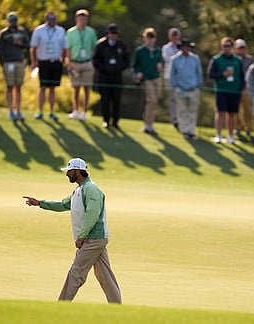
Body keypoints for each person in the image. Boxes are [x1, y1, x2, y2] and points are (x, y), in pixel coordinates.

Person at [22, 158, 122, 304]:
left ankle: (61, 305)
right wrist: (40, 203)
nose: (67, 174)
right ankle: (117, 307)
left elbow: (92, 214)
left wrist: (81, 237)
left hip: (93, 239)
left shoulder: (91, 189)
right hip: (95, 239)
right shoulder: (79, 190)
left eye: (69, 171)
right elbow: (63, 204)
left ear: (78, 171)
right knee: (104, 275)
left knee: (76, 272)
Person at [30, 11, 68, 121]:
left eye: (54, 18)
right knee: (42, 87)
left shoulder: (61, 31)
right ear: (46, 19)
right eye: (50, 18)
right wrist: (34, 62)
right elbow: (33, 47)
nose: (52, 20)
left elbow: (65, 47)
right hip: (43, 62)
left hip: (56, 62)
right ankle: (40, 111)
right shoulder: (39, 30)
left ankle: (52, 112)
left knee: (53, 88)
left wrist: (63, 60)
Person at [92, 23, 130, 130]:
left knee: (116, 99)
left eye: (115, 34)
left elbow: (126, 59)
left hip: (117, 76)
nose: (113, 35)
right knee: (105, 99)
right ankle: (106, 120)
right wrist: (104, 69)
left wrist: (119, 68)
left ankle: (116, 121)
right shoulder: (101, 45)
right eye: (111, 33)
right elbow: (96, 60)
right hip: (104, 76)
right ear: (107, 34)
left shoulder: (121, 45)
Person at [208, 37, 244, 144]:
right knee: (220, 112)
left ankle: (230, 135)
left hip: (234, 91)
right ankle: (218, 134)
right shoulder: (216, 59)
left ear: (232, 47)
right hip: (221, 90)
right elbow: (211, 74)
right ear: (222, 47)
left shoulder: (238, 60)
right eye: (225, 46)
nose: (227, 48)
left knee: (232, 114)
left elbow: (242, 76)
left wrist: (240, 88)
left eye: (229, 46)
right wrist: (222, 74)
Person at [66, 9, 98, 121]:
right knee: (76, 88)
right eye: (80, 18)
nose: (82, 20)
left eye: (84, 18)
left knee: (87, 88)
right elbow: (68, 49)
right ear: (76, 19)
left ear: (87, 19)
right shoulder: (70, 32)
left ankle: (84, 112)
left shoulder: (91, 32)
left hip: (87, 63)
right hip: (75, 63)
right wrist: (68, 63)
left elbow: (94, 47)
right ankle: (75, 111)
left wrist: (92, 60)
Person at [0, 12, 30, 120]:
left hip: (19, 61)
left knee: (18, 86)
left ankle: (18, 110)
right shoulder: (4, 33)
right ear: (8, 21)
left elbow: (28, 45)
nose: (13, 23)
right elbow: (1, 50)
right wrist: (2, 63)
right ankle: (11, 111)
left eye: (15, 20)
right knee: (9, 86)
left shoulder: (22, 32)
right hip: (8, 62)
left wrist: (20, 44)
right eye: (11, 21)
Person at [132, 27, 163, 135]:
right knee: (152, 99)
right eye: (148, 38)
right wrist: (138, 73)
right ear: (145, 39)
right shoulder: (140, 51)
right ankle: (147, 124)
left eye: (152, 38)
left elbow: (159, 61)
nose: (150, 40)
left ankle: (150, 123)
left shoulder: (158, 51)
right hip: (146, 78)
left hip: (156, 77)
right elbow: (135, 65)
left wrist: (160, 65)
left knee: (154, 100)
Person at [170, 38, 202, 140]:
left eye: (188, 47)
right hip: (180, 89)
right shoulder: (175, 59)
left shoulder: (195, 58)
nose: (186, 49)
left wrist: (198, 86)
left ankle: (192, 131)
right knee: (182, 111)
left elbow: (199, 73)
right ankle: (185, 131)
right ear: (181, 48)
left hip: (193, 89)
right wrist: (175, 86)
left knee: (192, 111)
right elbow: (173, 75)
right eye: (184, 47)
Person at [234, 39, 254, 136]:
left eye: (243, 48)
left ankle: (248, 127)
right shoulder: (233, 59)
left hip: (246, 87)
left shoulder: (250, 60)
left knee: (247, 109)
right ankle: (237, 126)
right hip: (235, 87)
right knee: (235, 109)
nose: (241, 50)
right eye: (239, 48)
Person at [162, 28, 181, 130]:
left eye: (176, 35)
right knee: (172, 99)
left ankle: (181, 119)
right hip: (169, 76)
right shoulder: (166, 48)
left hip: (181, 77)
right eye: (172, 35)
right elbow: (168, 59)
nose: (174, 37)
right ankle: (175, 120)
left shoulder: (182, 47)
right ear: (170, 36)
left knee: (181, 99)